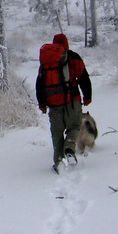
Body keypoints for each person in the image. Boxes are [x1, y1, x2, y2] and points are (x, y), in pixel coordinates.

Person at [36, 33, 92, 173]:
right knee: (74, 127)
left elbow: (39, 84)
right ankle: (69, 147)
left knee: (57, 133)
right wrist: (87, 96)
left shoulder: (46, 63)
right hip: (72, 101)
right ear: (66, 43)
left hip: (54, 105)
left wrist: (42, 103)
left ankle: (58, 163)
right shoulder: (73, 57)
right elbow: (84, 77)